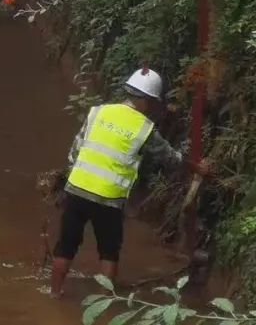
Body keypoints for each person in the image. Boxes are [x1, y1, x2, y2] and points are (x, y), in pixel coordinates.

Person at [50, 68, 211, 294]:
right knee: (109, 251)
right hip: (109, 198)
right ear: (147, 100)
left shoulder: (98, 112)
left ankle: (54, 294)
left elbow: (75, 151)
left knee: (65, 246)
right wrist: (197, 167)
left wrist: (67, 181)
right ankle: (107, 300)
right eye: (154, 102)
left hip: (77, 189)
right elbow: (170, 159)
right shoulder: (144, 128)